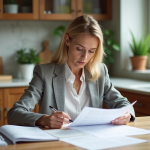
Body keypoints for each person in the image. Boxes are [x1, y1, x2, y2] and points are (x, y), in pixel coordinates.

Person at [7, 15, 135, 129]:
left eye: (91, 51)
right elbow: (15, 113)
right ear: (67, 40)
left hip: (92, 142)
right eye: (80, 49)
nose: (85, 57)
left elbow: (123, 104)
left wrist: (126, 114)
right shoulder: (44, 73)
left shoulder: (100, 71)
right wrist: (45, 119)